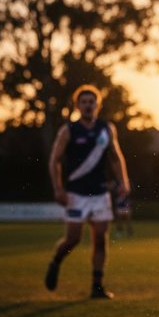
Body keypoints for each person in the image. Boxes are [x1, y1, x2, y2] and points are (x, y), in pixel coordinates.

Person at [44, 84, 131, 299]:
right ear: (77, 106)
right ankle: (56, 262)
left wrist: (123, 182)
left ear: (97, 105)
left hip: (100, 193)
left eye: (91, 102)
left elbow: (116, 157)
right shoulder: (68, 130)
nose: (88, 105)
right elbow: (54, 160)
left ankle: (97, 286)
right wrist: (58, 188)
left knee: (100, 238)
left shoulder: (106, 129)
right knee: (73, 239)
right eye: (83, 102)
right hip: (76, 194)